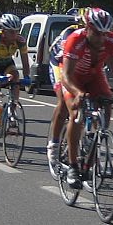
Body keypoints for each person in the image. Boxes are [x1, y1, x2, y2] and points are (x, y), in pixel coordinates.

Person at [57, 8, 113, 188]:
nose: (101, 38)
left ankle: (95, 143)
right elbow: (66, 76)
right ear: (87, 28)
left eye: (104, 34)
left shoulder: (111, 40)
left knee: (107, 102)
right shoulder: (75, 40)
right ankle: (72, 166)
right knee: (76, 114)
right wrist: (78, 93)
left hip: (93, 75)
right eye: (96, 33)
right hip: (73, 77)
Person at [46, 9, 86, 170]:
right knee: (63, 102)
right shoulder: (70, 35)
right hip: (59, 63)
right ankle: (54, 144)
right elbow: (66, 67)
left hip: (76, 65)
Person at [0, 13, 31, 141]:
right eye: (11, 32)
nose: (14, 35)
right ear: (3, 31)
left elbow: (25, 62)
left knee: (15, 76)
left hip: (7, 64)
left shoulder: (20, 41)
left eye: (17, 31)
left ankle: (12, 109)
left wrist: (27, 76)